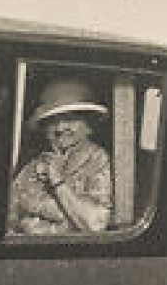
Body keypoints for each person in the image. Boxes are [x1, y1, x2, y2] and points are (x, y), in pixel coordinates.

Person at [8, 77, 113, 234]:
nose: (61, 128)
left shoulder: (97, 159)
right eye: (52, 121)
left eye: (70, 120)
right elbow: (10, 215)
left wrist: (57, 181)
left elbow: (95, 224)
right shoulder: (35, 164)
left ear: (89, 125)